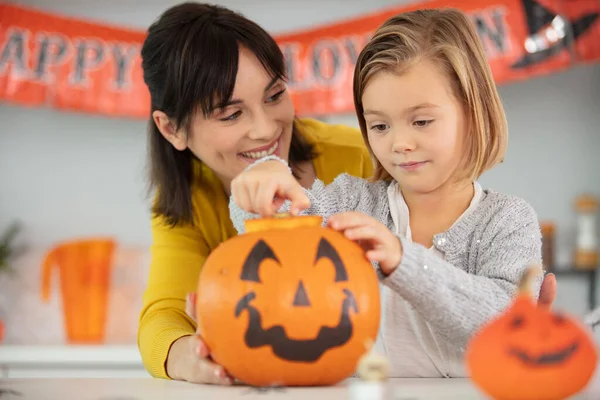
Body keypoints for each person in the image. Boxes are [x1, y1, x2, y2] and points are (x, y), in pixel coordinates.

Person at [138, 2, 557, 384]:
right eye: (379, 126)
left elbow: (511, 318)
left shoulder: (507, 218)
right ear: (171, 127)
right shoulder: (358, 200)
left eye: (422, 122)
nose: (399, 144)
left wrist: (402, 260)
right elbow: (275, 227)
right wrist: (262, 184)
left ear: (475, 109)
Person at [137, 2, 374, 384]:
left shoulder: (360, 157)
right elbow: (163, 316)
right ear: (171, 129)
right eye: (231, 114)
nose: (266, 129)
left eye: (274, 95)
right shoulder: (189, 199)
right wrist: (192, 358)